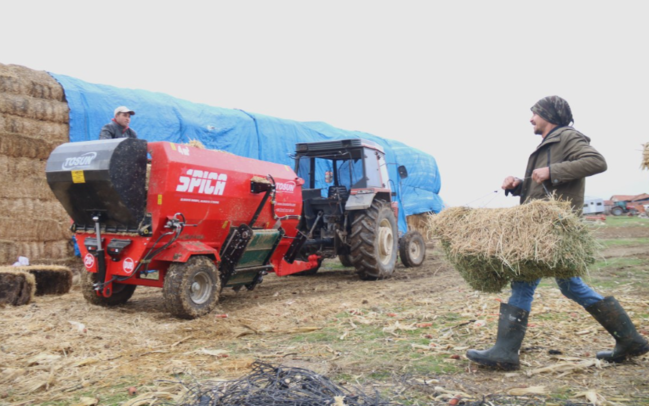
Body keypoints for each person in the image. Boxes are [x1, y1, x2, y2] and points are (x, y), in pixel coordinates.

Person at [466, 95, 649, 370]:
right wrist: (518, 184)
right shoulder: (548, 144)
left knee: (524, 280)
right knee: (571, 285)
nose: (530, 119)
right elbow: (538, 185)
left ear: (548, 114)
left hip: (552, 228)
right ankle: (630, 340)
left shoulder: (567, 137)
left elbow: (597, 162)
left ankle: (504, 352)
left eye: (534, 114)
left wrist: (552, 171)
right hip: (543, 226)